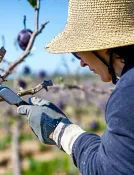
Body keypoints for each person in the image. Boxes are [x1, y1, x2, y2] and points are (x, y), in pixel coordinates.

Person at [17, 0, 134, 174]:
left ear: (104, 46)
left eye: (77, 51)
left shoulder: (127, 95)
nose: (81, 63)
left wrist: (60, 131)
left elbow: (107, 170)